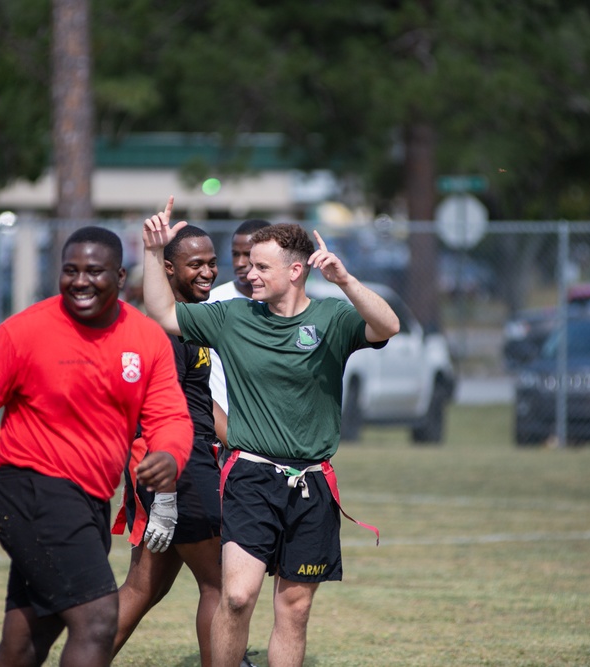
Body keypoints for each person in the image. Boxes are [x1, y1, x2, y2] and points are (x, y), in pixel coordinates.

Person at [142, 196, 399, 667]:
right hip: (250, 478)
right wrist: (150, 253)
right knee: (237, 597)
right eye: (246, 264)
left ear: (296, 271)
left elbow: (388, 324)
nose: (248, 273)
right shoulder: (232, 317)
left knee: (294, 609)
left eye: (261, 266)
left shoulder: (332, 319)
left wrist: (343, 280)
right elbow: (163, 315)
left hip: (312, 484)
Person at [0, 225, 194, 667]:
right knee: (96, 619)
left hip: (90, 500)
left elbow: (169, 414)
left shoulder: (147, 339)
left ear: (119, 274)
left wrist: (170, 454)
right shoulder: (26, 330)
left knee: (28, 637)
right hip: (30, 490)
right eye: (70, 270)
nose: (80, 281)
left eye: (94, 271)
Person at [113, 225, 228, 667]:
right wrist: (164, 494)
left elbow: (200, 404)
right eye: (194, 264)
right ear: (168, 269)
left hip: (184, 463)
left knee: (144, 588)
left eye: (210, 262)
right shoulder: (163, 330)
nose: (208, 272)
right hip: (178, 468)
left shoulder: (191, 322)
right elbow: (155, 414)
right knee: (221, 585)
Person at [206, 219, 272, 444]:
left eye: (249, 255)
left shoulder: (284, 306)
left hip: (268, 432)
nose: (241, 262)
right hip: (221, 433)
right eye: (236, 254)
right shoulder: (213, 302)